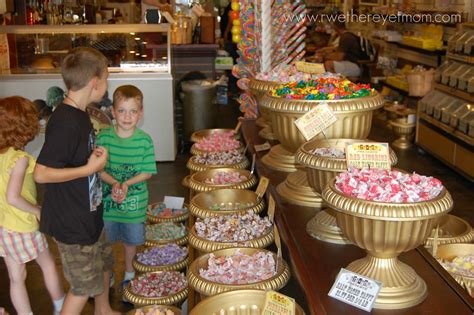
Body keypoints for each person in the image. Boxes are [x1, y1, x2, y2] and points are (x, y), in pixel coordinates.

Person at [33, 47, 119, 315]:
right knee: (82, 287)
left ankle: (103, 310)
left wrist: (93, 163)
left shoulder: (81, 114)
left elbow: (74, 159)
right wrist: (88, 168)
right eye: (106, 78)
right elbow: (41, 173)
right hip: (71, 222)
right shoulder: (65, 122)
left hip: (88, 211)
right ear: (95, 83)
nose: (107, 84)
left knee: (105, 265)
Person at [0, 96, 65, 315]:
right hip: (22, 225)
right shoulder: (20, 159)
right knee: (47, 263)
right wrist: (38, 210)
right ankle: (60, 305)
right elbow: (13, 197)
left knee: (16, 277)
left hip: (3, 227)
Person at [96, 85, 157, 292]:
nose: (127, 116)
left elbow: (147, 172)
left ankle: (129, 273)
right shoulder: (103, 138)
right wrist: (113, 183)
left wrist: (126, 184)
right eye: (121, 110)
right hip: (108, 204)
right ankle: (108, 273)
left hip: (135, 205)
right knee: (106, 241)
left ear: (140, 113)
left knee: (131, 242)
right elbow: (98, 169)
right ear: (113, 112)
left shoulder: (144, 141)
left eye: (133, 111)